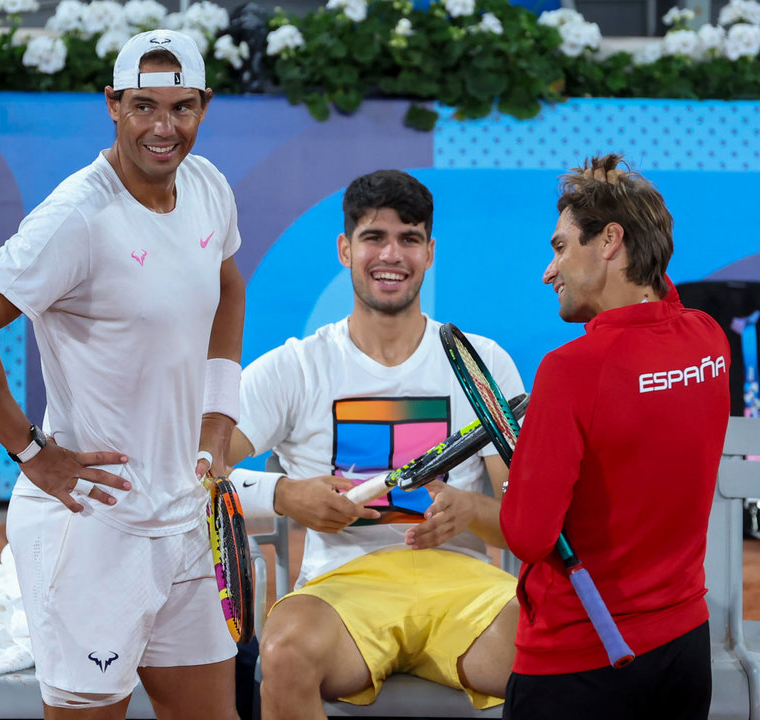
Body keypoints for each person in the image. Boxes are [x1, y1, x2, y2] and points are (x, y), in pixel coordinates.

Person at [0, 29, 245, 720]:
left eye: (181, 107)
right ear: (111, 105)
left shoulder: (208, 186)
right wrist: (33, 453)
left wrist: (217, 423)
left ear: (204, 106)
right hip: (95, 530)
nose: (164, 127)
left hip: (185, 518)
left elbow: (228, 285)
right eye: (143, 107)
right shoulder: (75, 216)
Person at [225, 169, 525, 719]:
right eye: (373, 237)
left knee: (562, 651)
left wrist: (472, 511)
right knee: (285, 652)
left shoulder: (485, 362)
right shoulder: (294, 367)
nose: (392, 254)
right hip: (342, 589)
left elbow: (529, 520)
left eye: (409, 239)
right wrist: (285, 493)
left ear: (429, 252)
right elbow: (199, 473)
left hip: (466, 587)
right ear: (345, 248)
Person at [500, 154, 731, 720]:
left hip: (578, 662)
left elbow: (529, 537)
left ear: (609, 241)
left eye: (559, 248)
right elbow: (662, 307)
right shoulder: (708, 341)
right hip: (682, 651)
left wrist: (499, 498)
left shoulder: (571, 369)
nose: (548, 272)